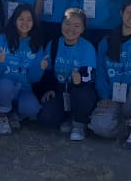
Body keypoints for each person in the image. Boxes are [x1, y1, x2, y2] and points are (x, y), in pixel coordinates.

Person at [89, 0, 131, 150]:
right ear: (121, 13)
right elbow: (100, 72)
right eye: (128, 13)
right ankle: (125, 128)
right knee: (99, 126)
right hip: (112, 97)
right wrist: (104, 95)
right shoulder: (106, 42)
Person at [0, 3, 48, 135]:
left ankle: (13, 116)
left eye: (29, 19)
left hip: (23, 88)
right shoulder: (1, 39)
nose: (25, 23)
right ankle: (2, 117)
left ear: (34, 22)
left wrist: (40, 68)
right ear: (14, 21)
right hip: (0, 87)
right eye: (21, 19)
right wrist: (0, 62)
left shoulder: (36, 44)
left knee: (33, 109)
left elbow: (33, 78)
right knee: (5, 85)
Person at [37, 8, 96, 142]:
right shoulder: (54, 44)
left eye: (76, 26)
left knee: (82, 92)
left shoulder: (87, 47)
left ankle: (79, 125)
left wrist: (80, 79)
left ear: (83, 29)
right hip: (59, 90)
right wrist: (48, 89)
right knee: (46, 118)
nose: (71, 29)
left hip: (79, 91)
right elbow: (47, 71)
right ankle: (67, 118)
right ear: (61, 24)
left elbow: (89, 74)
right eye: (67, 24)